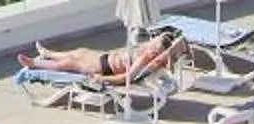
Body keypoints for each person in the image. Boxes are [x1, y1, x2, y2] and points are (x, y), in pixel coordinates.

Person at [28, 25, 179, 76]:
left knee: (70, 63)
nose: (151, 46)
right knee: (80, 51)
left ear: (158, 53)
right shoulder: (146, 51)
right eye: (153, 43)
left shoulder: (144, 59)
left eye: (155, 48)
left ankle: (35, 64)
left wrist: (102, 79)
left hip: (104, 68)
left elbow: (126, 77)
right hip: (106, 57)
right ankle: (47, 54)